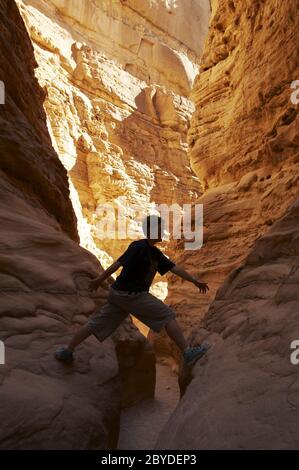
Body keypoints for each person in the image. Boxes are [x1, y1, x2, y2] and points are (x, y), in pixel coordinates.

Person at [55, 215, 210, 365]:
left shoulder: (155, 253)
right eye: (161, 229)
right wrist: (99, 280)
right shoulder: (139, 247)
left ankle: (68, 350)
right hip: (131, 296)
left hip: (119, 296)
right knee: (167, 315)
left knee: (96, 323)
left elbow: (174, 268)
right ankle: (187, 352)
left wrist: (194, 281)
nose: (163, 232)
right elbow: (118, 263)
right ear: (152, 230)